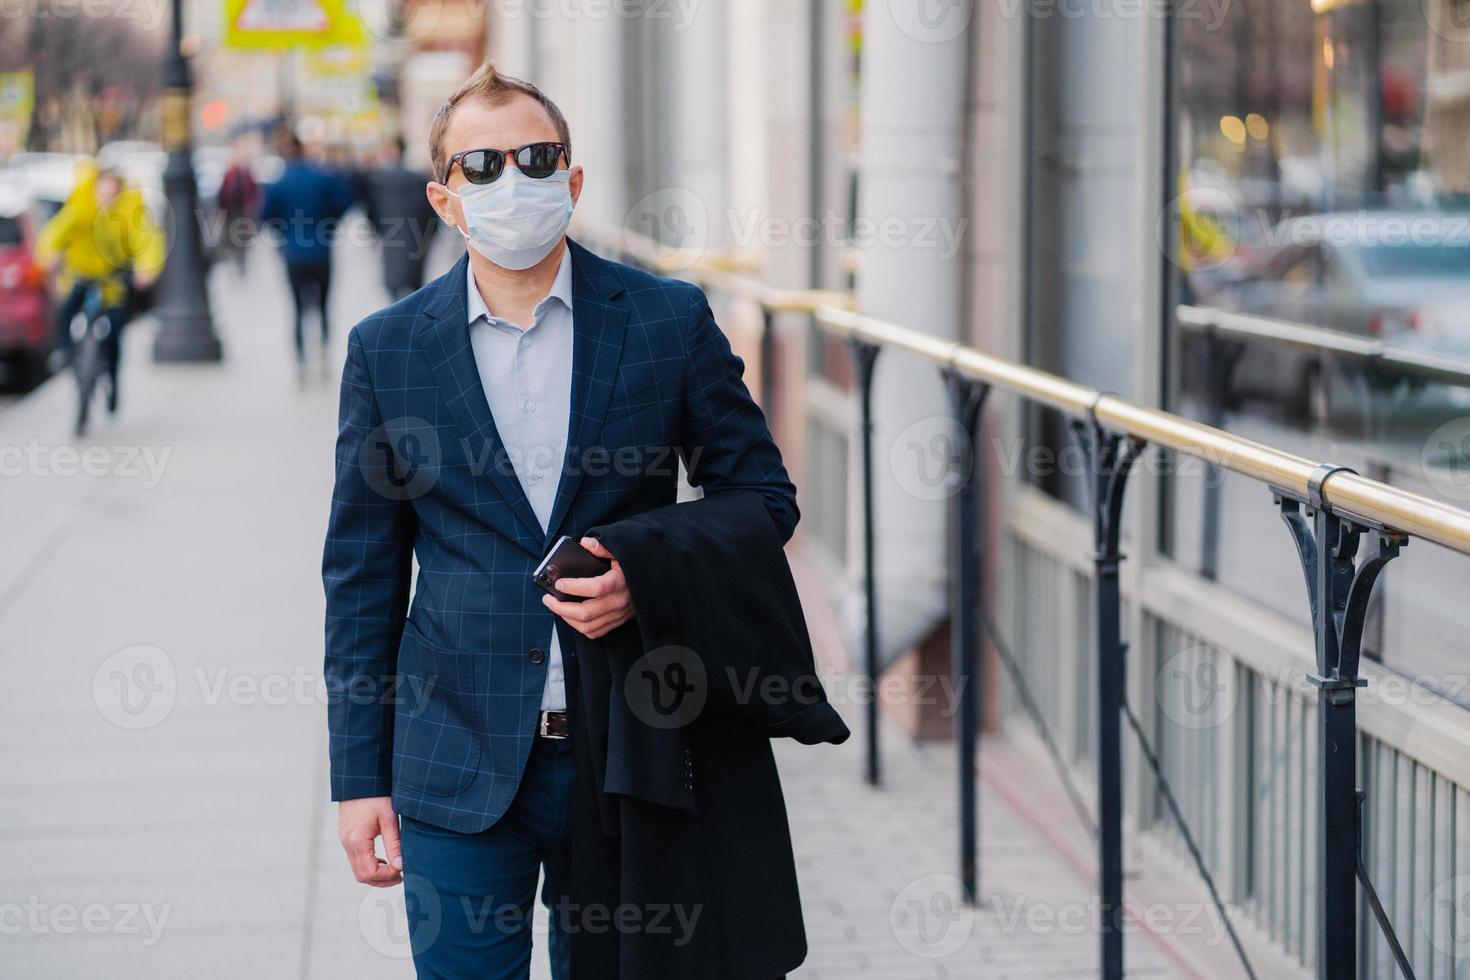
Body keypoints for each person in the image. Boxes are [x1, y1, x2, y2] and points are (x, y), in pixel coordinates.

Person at [322, 62, 800, 979]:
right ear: (444, 199)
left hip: (629, 753)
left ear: (573, 182)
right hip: (453, 759)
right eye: (484, 165)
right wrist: (359, 780)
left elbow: (762, 498)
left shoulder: (666, 318)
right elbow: (361, 576)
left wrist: (644, 569)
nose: (515, 180)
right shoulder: (387, 351)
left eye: (536, 158)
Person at [36, 164, 164, 414]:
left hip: (113, 281)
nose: (107, 192)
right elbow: (55, 231)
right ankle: (65, 353)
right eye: (103, 186)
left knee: (115, 333)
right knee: (67, 310)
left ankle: (113, 385)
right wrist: (48, 254)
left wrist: (146, 268)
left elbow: (145, 239)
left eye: (113, 187)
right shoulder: (80, 208)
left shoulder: (128, 211)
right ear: (95, 186)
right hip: (82, 275)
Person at [258, 133, 355, 378]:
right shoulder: (322, 176)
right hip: (322, 249)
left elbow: (264, 214)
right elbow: (345, 201)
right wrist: (330, 224)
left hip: (293, 253)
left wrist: (282, 231)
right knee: (323, 306)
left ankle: (301, 362)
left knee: (297, 308)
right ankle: (323, 356)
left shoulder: (279, 181)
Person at [361, 136, 440, 301]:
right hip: (417, 239)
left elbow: (372, 212)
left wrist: (376, 230)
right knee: (415, 286)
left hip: (392, 238)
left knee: (394, 288)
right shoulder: (418, 180)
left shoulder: (379, 180)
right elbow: (432, 215)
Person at [215, 139, 260, 277]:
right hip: (231, 213)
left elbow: (255, 193)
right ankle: (236, 263)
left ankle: (242, 264)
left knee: (243, 240)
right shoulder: (230, 174)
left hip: (244, 213)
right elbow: (222, 194)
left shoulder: (247, 174)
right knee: (232, 240)